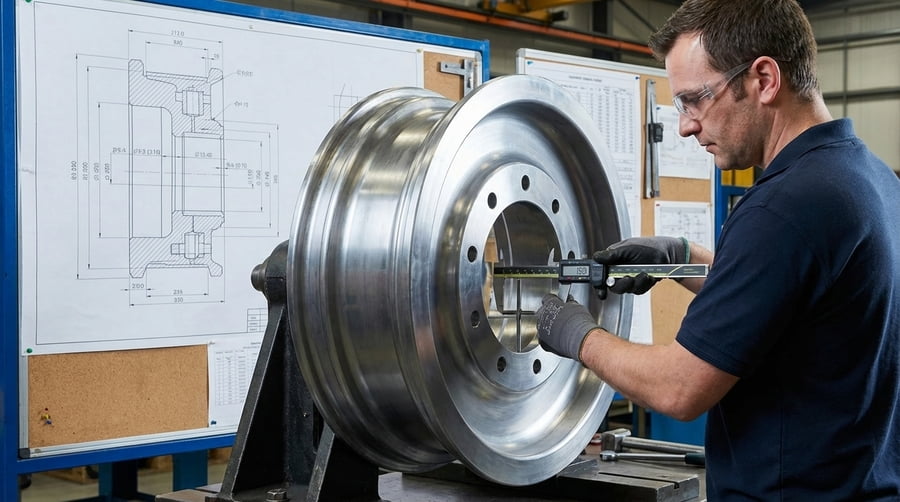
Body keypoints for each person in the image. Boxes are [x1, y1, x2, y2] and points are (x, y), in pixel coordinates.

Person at [535, 0, 900, 499]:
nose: (685, 126)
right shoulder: (871, 179)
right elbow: (792, 298)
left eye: (695, 100)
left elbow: (678, 388)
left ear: (764, 80)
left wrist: (578, 335)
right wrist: (681, 258)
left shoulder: (783, 207)